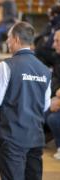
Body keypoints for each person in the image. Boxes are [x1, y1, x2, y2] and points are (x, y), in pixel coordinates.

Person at [0, 21, 51, 180]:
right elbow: (45, 105)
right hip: (36, 138)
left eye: (8, 38)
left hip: (12, 139)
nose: (7, 42)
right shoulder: (45, 70)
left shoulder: (6, 66)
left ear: (16, 39)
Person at [45, 30, 60, 160]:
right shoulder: (57, 58)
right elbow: (54, 80)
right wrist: (56, 93)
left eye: (57, 41)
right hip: (57, 96)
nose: (53, 45)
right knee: (43, 111)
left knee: (54, 119)